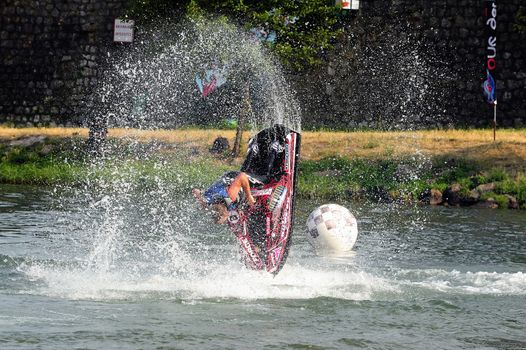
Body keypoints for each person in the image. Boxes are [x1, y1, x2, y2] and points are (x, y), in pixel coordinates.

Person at [192, 171, 257, 224]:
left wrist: (249, 196)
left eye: (224, 220)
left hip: (236, 175)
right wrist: (200, 201)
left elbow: (242, 176)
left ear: (226, 213)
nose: (224, 223)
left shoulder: (231, 196)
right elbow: (195, 191)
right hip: (224, 178)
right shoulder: (206, 202)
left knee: (248, 198)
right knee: (237, 204)